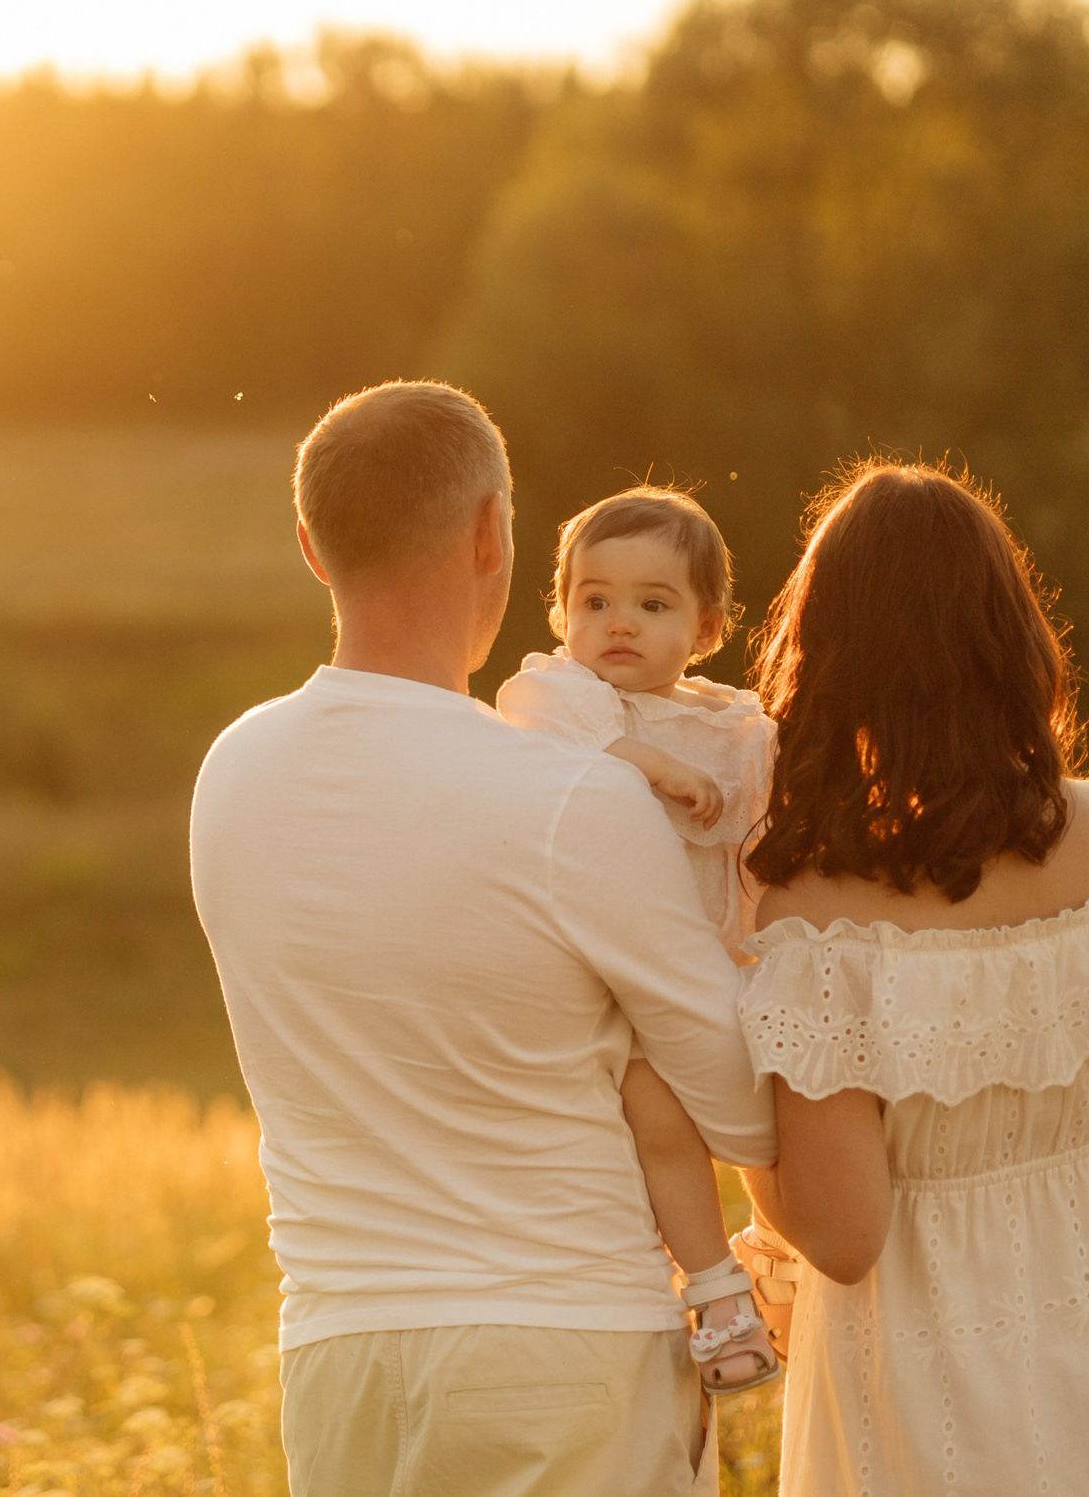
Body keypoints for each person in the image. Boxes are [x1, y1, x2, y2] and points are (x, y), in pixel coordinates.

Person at [189, 381, 776, 1497]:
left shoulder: (231, 773)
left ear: (312, 547)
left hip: (337, 1362)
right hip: (563, 1354)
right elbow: (743, 1106)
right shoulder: (568, 799)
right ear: (492, 534)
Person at [730, 461, 1089, 1496]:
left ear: (824, 656)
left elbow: (842, 1232)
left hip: (925, 1412)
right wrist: (1057, 1057)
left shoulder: (811, 915)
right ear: (1013, 636)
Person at [496, 487, 780, 1395]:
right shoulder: (563, 693)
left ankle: (781, 1254)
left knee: (777, 1101)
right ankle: (716, 1288)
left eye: (653, 605)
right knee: (658, 1109)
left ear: (707, 627)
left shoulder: (740, 726)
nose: (619, 623)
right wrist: (653, 763)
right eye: (595, 600)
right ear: (561, 609)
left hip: (723, 956)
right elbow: (551, 742)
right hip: (611, 968)